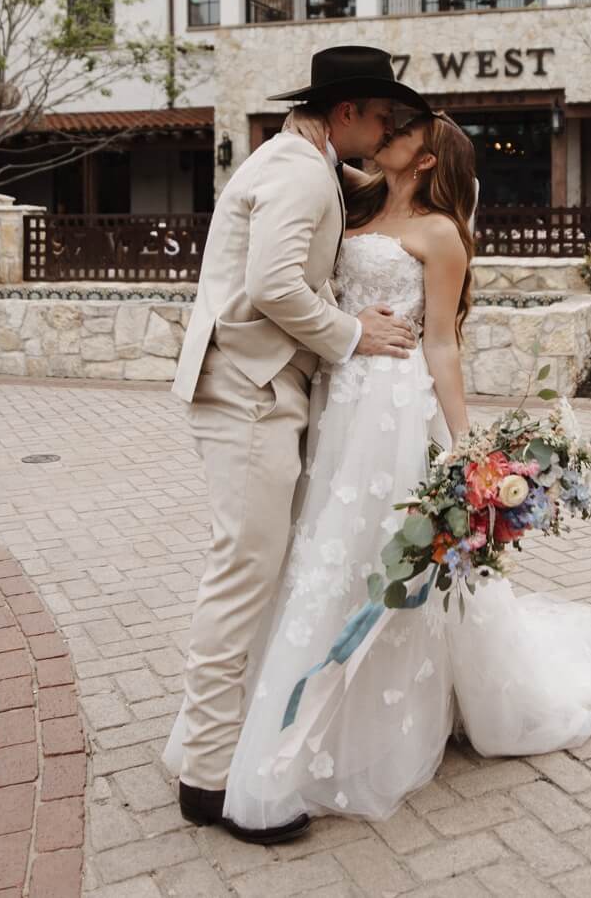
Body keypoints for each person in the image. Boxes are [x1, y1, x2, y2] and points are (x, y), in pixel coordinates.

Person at [161, 105, 591, 834]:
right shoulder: (353, 193)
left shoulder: (441, 233)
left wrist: (468, 454)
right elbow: (315, 159)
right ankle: (252, 716)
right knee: (308, 551)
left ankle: (357, 718)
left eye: (404, 133)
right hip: (333, 397)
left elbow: (443, 347)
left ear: (427, 159)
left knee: (375, 554)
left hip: (393, 410)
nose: (388, 135)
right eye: (385, 126)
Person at [168, 44, 427, 843]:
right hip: (248, 395)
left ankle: (205, 742)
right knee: (242, 575)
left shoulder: (308, 160)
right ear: (345, 112)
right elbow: (273, 285)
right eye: (381, 118)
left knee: (253, 569)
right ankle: (208, 779)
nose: (385, 135)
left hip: (262, 390)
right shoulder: (296, 168)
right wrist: (353, 334)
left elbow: (344, 212)